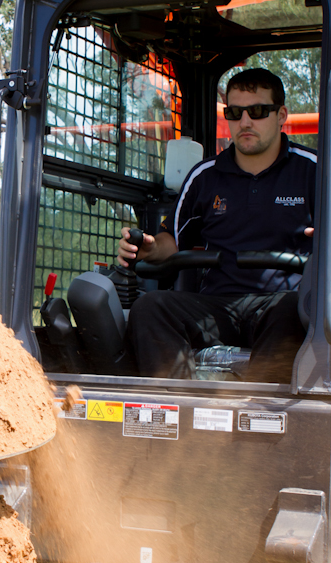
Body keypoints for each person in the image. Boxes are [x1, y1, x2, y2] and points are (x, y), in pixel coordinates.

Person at [118, 67, 316, 382]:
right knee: (150, 307)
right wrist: (149, 250)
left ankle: (256, 416)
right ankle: (179, 410)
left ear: (281, 116)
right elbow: (173, 242)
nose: (245, 122)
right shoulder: (204, 176)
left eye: (258, 111)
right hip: (216, 304)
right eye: (235, 112)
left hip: (281, 302)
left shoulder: (314, 172)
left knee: (296, 310)